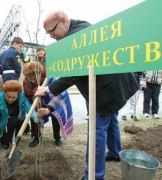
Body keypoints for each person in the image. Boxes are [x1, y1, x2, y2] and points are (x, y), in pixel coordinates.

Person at [34, 11, 139, 180]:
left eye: (52, 31)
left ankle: (95, 175)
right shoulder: (76, 31)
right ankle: (114, 152)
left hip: (107, 90)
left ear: (64, 21)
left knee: (97, 129)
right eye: (48, 33)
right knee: (111, 118)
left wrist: (48, 90)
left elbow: (74, 73)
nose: (51, 35)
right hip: (110, 86)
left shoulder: (80, 35)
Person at [23, 61, 73, 147]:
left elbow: (59, 94)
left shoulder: (50, 76)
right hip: (38, 100)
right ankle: (36, 137)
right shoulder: (26, 82)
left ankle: (57, 137)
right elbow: (27, 96)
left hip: (54, 97)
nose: (32, 81)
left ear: (40, 73)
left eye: (34, 78)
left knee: (55, 115)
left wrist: (48, 108)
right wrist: (33, 109)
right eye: (30, 78)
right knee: (35, 115)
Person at [0, 80, 38, 152]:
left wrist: (35, 116)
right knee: (13, 120)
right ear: (4, 93)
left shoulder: (21, 97)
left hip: (17, 121)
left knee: (21, 121)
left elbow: (29, 108)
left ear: (18, 95)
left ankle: (13, 139)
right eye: (8, 96)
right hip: (4, 125)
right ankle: (4, 139)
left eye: (13, 97)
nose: (10, 99)